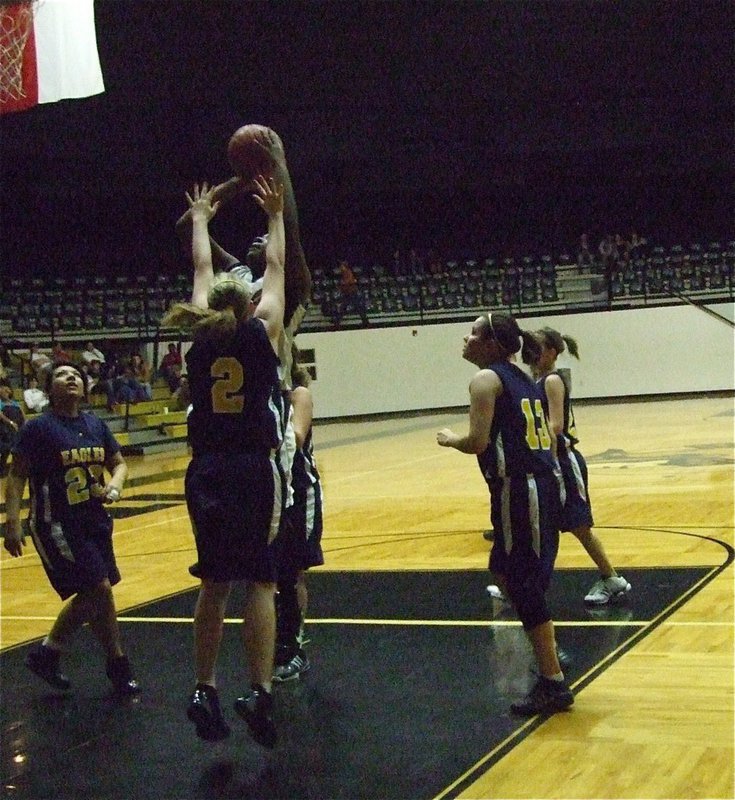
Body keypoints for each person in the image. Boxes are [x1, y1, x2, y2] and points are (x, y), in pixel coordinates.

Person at [162, 175, 285, 748]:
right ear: (251, 302)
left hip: (205, 467)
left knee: (213, 582)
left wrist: (203, 220)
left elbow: (201, 273)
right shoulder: (263, 330)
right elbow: (279, 269)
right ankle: (259, 691)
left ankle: (203, 687)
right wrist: (277, 218)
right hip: (250, 468)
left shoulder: (198, 339)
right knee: (261, 579)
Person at [437, 311, 573, 716]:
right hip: (532, 485)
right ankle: (545, 644)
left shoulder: (486, 380)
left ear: (493, 343)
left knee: (524, 582)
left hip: (520, 487)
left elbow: (478, 442)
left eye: (474, 333)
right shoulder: (523, 379)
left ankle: (553, 680)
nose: (466, 338)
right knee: (504, 570)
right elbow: (546, 436)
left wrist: (450, 440)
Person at [3, 362, 139, 696]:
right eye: (63, 375)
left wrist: (116, 486)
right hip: (56, 522)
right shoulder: (38, 428)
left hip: (94, 520)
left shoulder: (95, 424)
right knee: (99, 589)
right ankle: (84, 657)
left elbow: (118, 463)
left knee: (98, 595)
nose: (71, 378)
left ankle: (71, 657)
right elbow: (17, 475)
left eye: (76, 374)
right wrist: (12, 521)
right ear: (48, 388)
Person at [532, 327, 631, 605]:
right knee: (541, 526)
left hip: (562, 460)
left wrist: (546, 459)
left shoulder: (551, 380)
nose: (531, 353)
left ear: (551, 352)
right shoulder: (536, 380)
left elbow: (555, 425)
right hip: (550, 461)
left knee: (579, 526)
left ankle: (611, 578)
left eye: (537, 347)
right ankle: (525, 584)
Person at [273, 346, 324, 682]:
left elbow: (297, 436)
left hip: (301, 491)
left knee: (294, 571)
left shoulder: (298, 395)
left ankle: (295, 645)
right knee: (274, 573)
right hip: (274, 490)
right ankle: (280, 637)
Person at [331, 260, 369, 327]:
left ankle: (365, 320)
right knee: (344, 307)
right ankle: (337, 321)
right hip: (347, 292)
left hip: (352, 292)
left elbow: (350, 281)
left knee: (356, 306)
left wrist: (343, 283)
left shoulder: (348, 272)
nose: (340, 267)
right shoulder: (343, 273)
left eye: (342, 266)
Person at [0, 383, 25, 477]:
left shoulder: (15, 403)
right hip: (4, 429)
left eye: (7, 391)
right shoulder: (0, 403)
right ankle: (2, 468)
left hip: (17, 427)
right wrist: (10, 423)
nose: (5, 392)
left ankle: (18, 468)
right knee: (6, 448)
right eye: (3, 391)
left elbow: (22, 415)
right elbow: (1, 415)